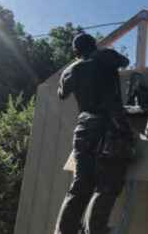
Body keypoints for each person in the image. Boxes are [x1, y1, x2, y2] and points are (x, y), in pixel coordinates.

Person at [54, 33, 131, 234]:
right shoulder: (105, 57)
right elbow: (125, 61)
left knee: (81, 183)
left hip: (84, 129)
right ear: (94, 45)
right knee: (108, 184)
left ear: (75, 51)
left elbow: (61, 94)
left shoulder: (70, 70)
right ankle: (95, 230)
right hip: (110, 128)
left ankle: (65, 230)